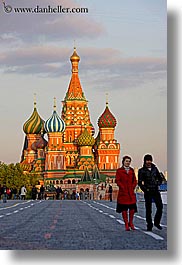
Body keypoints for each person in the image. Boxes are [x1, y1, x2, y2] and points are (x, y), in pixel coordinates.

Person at [138, 154, 163, 231]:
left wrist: (158, 183)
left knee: (160, 207)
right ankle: (149, 225)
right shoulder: (141, 171)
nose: (148, 162)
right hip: (148, 191)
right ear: (145, 161)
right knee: (148, 209)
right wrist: (145, 189)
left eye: (150, 160)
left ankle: (156, 222)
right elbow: (140, 182)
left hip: (155, 190)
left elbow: (160, 178)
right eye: (147, 160)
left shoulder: (155, 169)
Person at [116, 155, 137, 231]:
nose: (128, 162)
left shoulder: (131, 170)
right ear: (123, 162)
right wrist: (123, 187)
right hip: (123, 193)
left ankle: (131, 222)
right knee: (124, 209)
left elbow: (134, 180)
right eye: (126, 161)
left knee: (132, 209)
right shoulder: (119, 171)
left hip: (131, 192)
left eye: (129, 161)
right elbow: (117, 180)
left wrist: (133, 187)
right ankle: (126, 224)